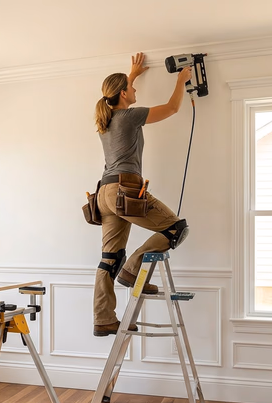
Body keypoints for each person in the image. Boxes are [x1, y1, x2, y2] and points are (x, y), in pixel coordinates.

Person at [91, 52, 193, 337]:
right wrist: (182, 80)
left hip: (105, 194)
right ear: (123, 94)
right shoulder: (129, 115)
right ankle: (133, 269)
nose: (135, 91)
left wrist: (132, 74)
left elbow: (119, 92)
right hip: (126, 190)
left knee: (108, 259)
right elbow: (172, 108)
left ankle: (103, 319)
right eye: (132, 88)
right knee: (176, 228)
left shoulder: (106, 118)